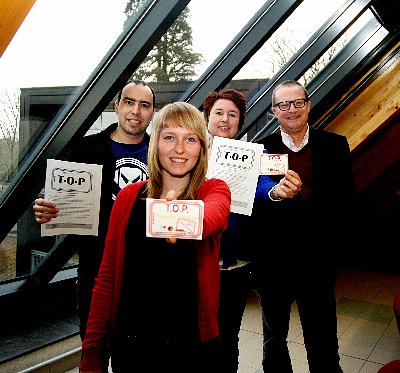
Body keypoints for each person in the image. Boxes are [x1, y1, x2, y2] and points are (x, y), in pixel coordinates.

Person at [79, 101, 231, 373]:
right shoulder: (128, 197)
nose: (180, 149)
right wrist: (92, 348)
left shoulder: (213, 189)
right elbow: (107, 276)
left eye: (191, 139)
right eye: (169, 137)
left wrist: (184, 219)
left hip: (193, 347)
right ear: (155, 143)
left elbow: (214, 217)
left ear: (202, 148)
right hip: (133, 345)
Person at [32, 80, 156, 340]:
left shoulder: (161, 153)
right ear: (117, 106)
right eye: (129, 103)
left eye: (144, 105)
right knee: (94, 346)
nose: (136, 111)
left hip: (145, 271)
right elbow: (63, 203)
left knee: (136, 353)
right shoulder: (85, 150)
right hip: (96, 268)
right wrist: (47, 210)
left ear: (153, 112)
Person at [252, 80, 355, 373]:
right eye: (283, 104)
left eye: (298, 102)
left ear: (308, 105)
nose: (292, 110)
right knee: (274, 341)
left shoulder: (335, 145)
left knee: (323, 340)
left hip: (317, 261)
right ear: (274, 111)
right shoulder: (260, 150)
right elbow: (255, 202)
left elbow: (345, 201)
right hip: (274, 262)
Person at [203, 88, 302, 373]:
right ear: (207, 117)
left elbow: (263, 187)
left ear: (240, 121)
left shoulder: (254, 155)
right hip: (199, 261)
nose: (225, 119)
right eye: (219, 113)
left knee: (227, 336)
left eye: (232, 115)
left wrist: (277, 193)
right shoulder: (191, 153)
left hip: (236, 265)